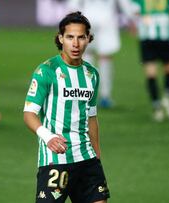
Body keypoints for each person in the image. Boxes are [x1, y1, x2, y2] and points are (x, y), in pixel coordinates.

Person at [23, 12, 110, 203]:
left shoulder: (92, 74)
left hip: (87, 159)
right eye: (70, 37)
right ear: (60, 38)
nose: (76, 44)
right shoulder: (46, 71)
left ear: (89, 39)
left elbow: (92, 117)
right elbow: (29, 114)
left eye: (81, 37)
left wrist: (97, 156)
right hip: (56, 160)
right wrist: (48, 137)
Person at [67, 0, 134, 108]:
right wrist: (131, 19)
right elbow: (124, 3)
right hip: (106, 19)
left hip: (87, 18)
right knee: (105, 57)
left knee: (86, 55)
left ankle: (85, 94)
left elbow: (73, 4)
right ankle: (105, 96)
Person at [129, 0, 169, 122]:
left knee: (151, 72)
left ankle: (157, 108)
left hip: (147, 34)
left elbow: (134, 11)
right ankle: (167, 98)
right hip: (165, 34)